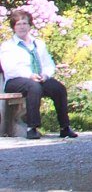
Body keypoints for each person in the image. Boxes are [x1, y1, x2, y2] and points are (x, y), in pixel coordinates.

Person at [1, 9, 76, 140]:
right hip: (16, 80)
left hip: (38, 78)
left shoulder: (38, 44)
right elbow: (10, 68)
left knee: (58, 88)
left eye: (24, 23)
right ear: (13, 27)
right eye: (18, 24)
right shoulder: (8, 46)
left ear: (30, 25)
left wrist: (45, 75)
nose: (21, 27)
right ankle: (32, 128)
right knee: (34, 87)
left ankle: (65, 127)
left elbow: (48, 63)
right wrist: (30, 75)